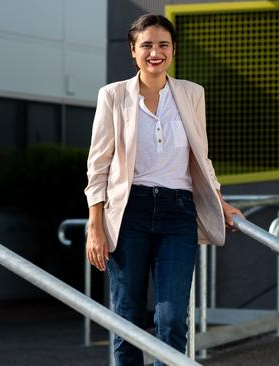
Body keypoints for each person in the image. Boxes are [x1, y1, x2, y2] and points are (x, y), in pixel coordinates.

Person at [84, 14, 242, 366]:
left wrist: (220, 200)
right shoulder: (113, 96)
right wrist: (95, 224)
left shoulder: (191, 93)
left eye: (163, 45)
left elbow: (201, 156)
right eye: (147, 45)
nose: (155, 52)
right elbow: (99, 163)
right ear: (133, 50)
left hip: (178, 211)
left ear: (173, 50)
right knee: (127, 315)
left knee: (171, 319)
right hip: (129, 212)